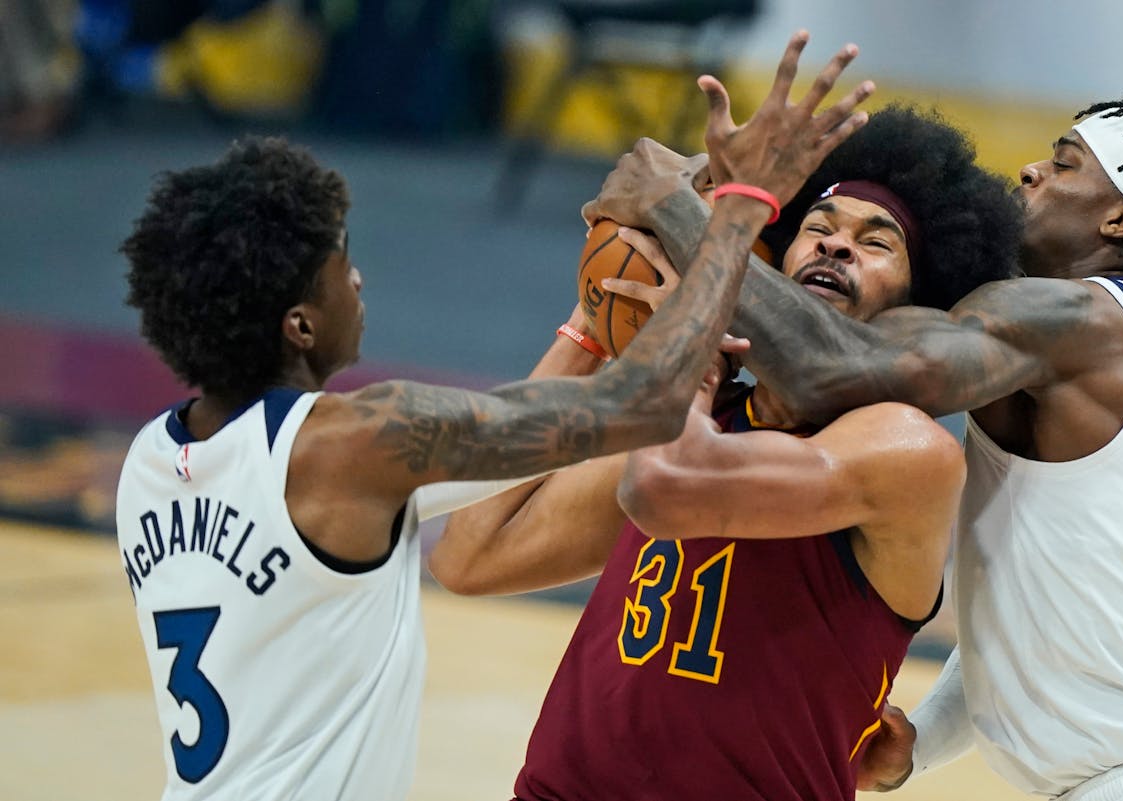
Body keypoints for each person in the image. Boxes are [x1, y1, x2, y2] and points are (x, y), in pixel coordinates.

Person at [112, 30, 873, 801]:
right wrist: (740, 208)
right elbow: (639, 404)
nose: (359, 277)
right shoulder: (359, 442)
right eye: (341, 263)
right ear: (299, 324)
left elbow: (494, 508)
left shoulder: (149, 460)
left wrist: (598, 306)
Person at [583, 90, 1123, 801]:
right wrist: (924, 738)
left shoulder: (1070, 315)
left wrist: (685, 214)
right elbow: (1034, 608)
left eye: (1065, 165)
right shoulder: (1122, 350)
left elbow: (832, 370)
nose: (1031, 171)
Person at [431, 105, 1023, 801]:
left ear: (918, 310)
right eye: (817, 231)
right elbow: (468, 553)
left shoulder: (906, 449)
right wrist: (595, 316)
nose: (834, 248)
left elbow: (669, 486)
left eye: (875, 242)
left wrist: (687, 335)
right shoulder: (704, 417)